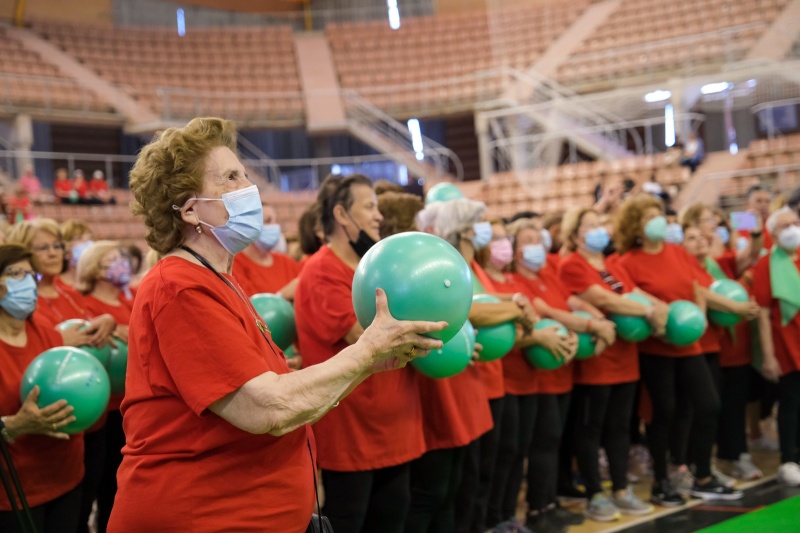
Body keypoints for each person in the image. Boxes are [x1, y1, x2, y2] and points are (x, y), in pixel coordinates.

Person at [107, 119, 444, 532]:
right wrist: (365, 352)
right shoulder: (178, 287)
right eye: (231, 177)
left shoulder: (218, 278)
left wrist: (368, 364)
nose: (250, 187)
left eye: (245, 174)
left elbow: (281, 393)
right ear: (190, 209)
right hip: (201, 513)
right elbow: (264, 407)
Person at [293, 173, 436, 533]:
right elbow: (370, 337)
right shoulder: (321, 271)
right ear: (342, 214)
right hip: (353, 433)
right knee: (350, 521)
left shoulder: (373, 268)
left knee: (393, 517)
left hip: (394, 425)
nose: (378, 216)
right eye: (369, 206)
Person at [614, 195, 746, 505]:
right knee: (665, 414)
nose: (658, 220)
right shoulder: (624, 262)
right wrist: (652, 312)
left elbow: (697, 286)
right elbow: (615, 287)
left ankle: (702, 474)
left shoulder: (677, 252)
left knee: (709, 405)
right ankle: (662, 482)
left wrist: (697, 317)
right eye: (649, 217)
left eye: (658, 214)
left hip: (688, 343)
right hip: (656, 348)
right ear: (635, 226)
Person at [559, 206, 666, 521]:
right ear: (575, 233)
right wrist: (645, 311)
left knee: (620, 427)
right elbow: (603, 299)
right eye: (589, 225)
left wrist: (662, 308)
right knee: (591, 429)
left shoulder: (613, 264)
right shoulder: (571, 264)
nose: (597, 230)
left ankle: (621, 489)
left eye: (599, 224)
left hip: (625, 357)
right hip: (597, 359)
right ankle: (596, 493)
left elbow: (634, 292)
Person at [408, 199, 505, 533]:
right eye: (478, 223)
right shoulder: (443, 268)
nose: (484, 230)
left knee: (460, 485)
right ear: (464, 230)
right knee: (435, 491)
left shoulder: (469, 264)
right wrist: (518, 309)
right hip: (442, 381)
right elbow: (469, 311)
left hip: (468, 379)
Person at [509, 220, 613, 529]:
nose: (535, 245)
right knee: (544, 441)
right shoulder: (517, 282)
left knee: (554, 441)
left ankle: (551, 502)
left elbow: (571, 301)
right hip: (537, 376)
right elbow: (550, 312)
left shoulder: (547, 274)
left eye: (537, 239)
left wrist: (597, 318)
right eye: (526, 240)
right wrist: (594, 326)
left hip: (561, 372)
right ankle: (537, 510)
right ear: (514, 250)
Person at [0, 244, 85, 533]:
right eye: (16, 273)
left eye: (31, 275)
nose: (27, 282)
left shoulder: (47, 332)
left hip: (67, 475)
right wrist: (12, 425)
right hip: (17, 491)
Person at [76, 241, 134, 533]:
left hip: (132, 405)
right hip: (100, 409)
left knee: (123, 487)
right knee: (101, 484)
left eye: (121, 257)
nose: (121, 263)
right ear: (93, 270)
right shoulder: (82, 304)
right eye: (110, 260)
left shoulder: (132, 299)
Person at [5, 219, 116, 349]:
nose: (53, 253)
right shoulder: (17, 300)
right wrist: (55, 342)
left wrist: (108, 323)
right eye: (42, 248)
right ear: (23, 254)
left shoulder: (73, 294)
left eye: (57, 246)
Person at [753, 207, 800, 486]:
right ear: (773, 233)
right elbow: (761, 312)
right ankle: (788, 460)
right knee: (791, 402)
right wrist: (768, 356)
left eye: (795, 223)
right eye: (785, 226)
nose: (792, 229)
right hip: (786, 342)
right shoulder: (766, 264)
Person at [232, 204, 301, 300]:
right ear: (249, 227)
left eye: (276, 221)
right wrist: (282, 296)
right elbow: (249, 309)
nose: (275, 226)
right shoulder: (234, 266)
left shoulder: (287, 262)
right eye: (268, 221)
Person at [60, 219, 95, 291]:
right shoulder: (55, 285)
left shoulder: (98, 285)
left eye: (89, 239)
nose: (87, 244)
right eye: (79, 239)